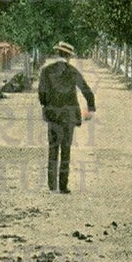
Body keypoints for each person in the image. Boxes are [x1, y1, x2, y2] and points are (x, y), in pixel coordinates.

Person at [38, 41, 95, 194]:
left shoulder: (46, 71)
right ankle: (63, 186)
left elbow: (41, 94)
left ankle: (52, 185)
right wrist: (90, 108)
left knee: (53, 149)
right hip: (69, 116)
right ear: (69, 56)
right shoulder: (73, 71)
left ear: (57, 53)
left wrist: (47, 104)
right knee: (66, 150)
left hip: (53, 116)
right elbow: (87, 90)